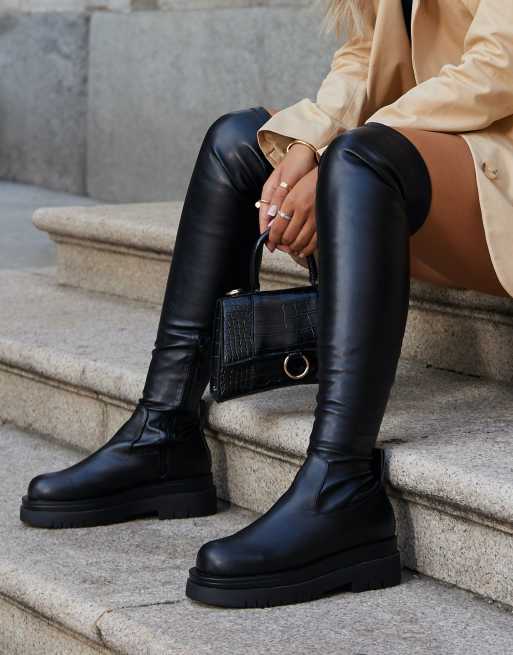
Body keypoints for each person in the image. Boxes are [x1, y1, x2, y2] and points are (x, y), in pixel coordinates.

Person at [20, 0, 513, 609]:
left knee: (360, 160)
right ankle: (165, 428)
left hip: (494, 169)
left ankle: (341, 486)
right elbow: (363, 56)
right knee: (237, 142)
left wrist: (337, 154)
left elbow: (497, 68)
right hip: (425, 158)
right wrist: (307, 142)